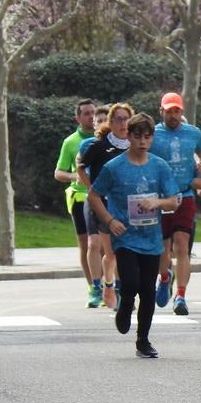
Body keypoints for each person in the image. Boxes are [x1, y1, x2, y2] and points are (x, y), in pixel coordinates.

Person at [87, 113, 181, 359]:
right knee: (130, 283)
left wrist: (158, 202)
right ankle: (125, 304)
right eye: (137, 136)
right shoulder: (114, 167)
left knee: (148, 290)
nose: (142, 141)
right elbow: (94, 196)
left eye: (147, 137)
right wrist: (109, 220)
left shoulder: (159, 166)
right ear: (128, 136)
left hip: (151, 238)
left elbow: (174, 200)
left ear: (152, 138)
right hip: (125, 236)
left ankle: (143, 340)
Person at [151, 92, 201, 315]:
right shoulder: (153, 133)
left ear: (181, 112)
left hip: (185, 195)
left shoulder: (193, 133)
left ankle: (181, 296)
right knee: (162, 250)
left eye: (176, 110)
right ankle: (165, 277)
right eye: (169, 110)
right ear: (161, 110)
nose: (173, 115)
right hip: (160, 197)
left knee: (182, 245)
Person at [78, 103, 134, 308]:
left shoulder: (135, 145)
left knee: (124, 251)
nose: (123, 123)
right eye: (118, 119)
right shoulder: (99, 145)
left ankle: (119, 288)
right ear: (111, 122)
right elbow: (81, 166)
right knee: (108, 251)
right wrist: (92, 190)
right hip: (102, 205)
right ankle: (104, 286)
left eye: (126, 119)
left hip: (127, 205)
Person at [54, 99, 97, 304]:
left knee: (106, 246)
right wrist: (75, 176)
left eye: (93, 113)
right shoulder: (71, 142)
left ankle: (108, 284)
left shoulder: (105, 138)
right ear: (78, 118)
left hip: (102, 196)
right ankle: (92, 287)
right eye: (86, 113)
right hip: (80, 197)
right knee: (87, 244)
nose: (90, 116)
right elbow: (59, 172)